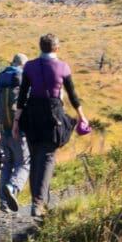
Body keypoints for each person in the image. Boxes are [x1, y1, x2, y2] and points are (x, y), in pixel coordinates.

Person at [19, 33, 88, 217]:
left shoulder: (29, 66)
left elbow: (22, 96)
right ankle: (38, 202)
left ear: (40, 47)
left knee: (34, 157)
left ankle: (38, 200)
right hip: (53, 113)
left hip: (32, 114)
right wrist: (82, 116)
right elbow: (72, 95)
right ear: (57, 48)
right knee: (48, 157)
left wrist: (17, 121)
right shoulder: (63, 67)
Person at [0, 52, 28, 213]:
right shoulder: (24, 80)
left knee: (7, 163)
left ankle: (3, 202)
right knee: (24, 163)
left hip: (0, 129)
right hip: (18, 129)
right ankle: (12, 187)